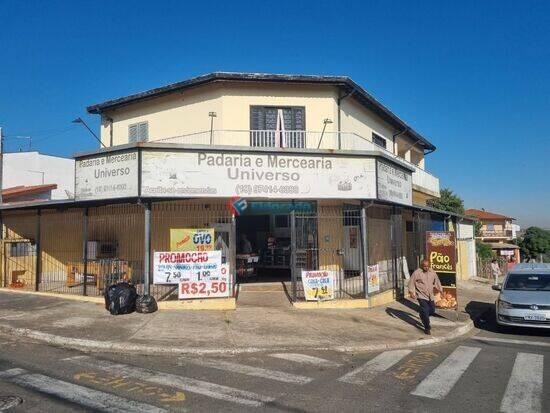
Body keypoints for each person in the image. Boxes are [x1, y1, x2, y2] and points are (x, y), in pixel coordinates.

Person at [408, 259, 444, 335]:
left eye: (427, 266)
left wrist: (441, 290)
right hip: (421, 295)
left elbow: (437, 281)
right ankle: (427, 327)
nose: (426, 268)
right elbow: (411, 282)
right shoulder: (416, 273)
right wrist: (411, 292)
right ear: (421, 265)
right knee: (425, 309)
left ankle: (422, 314)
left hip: (430, 295)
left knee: (432, 310)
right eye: (424, 266)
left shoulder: (432, 272)